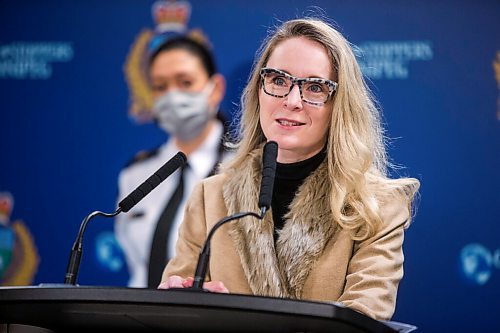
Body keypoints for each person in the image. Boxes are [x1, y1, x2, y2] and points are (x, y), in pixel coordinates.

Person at [159, 18, 420, 321]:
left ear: (339, 105)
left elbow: (361, 321)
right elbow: (176, 311)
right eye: (278, 81)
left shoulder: (378, 207)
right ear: (259, 89)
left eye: (315, 87)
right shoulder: (209, 197)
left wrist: (235, 320)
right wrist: (179, 306)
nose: (292, 101)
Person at [115, 35, 230, 288]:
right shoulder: (136, 174)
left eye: (185, 82)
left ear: (216, 89)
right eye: (160, 86)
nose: (172, 96)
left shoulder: (246, 168)